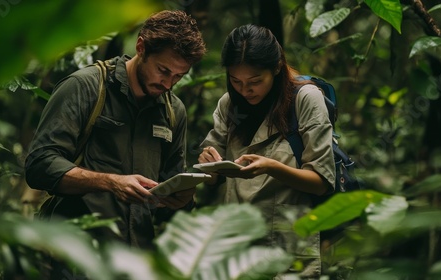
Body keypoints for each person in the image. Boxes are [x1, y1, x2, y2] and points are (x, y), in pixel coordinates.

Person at [25, 9, 206, 252]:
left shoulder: (174, 111)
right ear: (141, 47)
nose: (168, 83)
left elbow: (169, 206)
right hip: (73, 253)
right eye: (163, 70)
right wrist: (110, 182)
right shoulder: (85, 87)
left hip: (136, 259)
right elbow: (39, 166)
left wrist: (181, 202)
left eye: (179, 76)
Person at [197, 24, 335, 278]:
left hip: (286, 245)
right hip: (235, 245)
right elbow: (211, 170)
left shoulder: (304, 99)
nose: (245, 90)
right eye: (235, 81)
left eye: (255, 81)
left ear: (277, 68)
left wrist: (272, 168)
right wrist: (209, 163)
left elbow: (321, 182)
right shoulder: (229, 104)